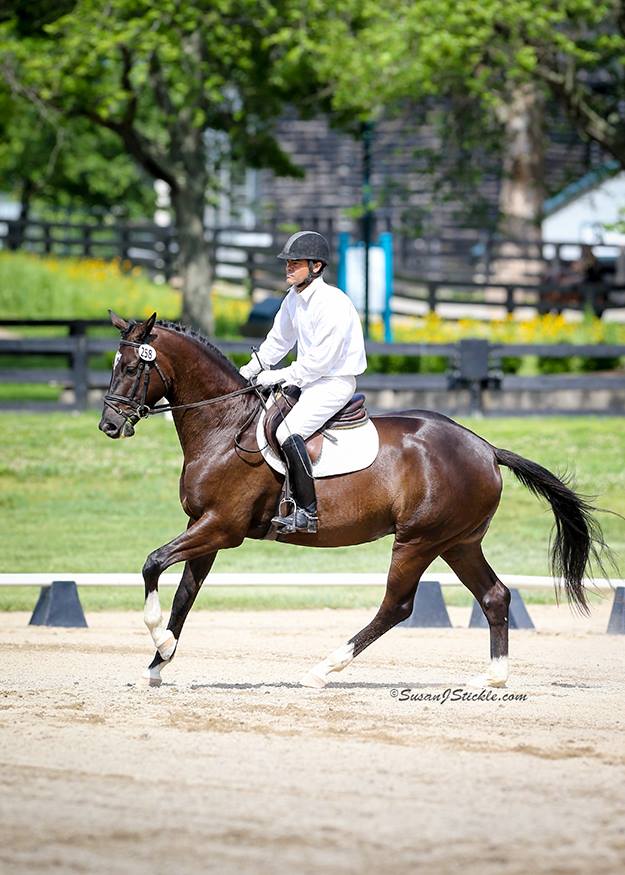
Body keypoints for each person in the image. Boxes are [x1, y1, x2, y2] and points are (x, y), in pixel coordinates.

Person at [239, 230, 367, 534]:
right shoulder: (293, 300)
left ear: (316, 267)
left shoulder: (333, 303)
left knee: (287, 431)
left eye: (295, 263)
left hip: (333, 382)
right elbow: (277, 343)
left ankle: (308, 512)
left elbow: (321, 361)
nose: (288, 268)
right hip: (308, 381)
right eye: (288, 263)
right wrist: (248, 371)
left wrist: (280, 375)